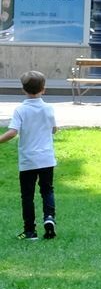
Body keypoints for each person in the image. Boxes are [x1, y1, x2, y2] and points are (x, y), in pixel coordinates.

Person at [3, 71, 58, 241]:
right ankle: (49, 218)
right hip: (47, 158)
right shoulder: (48, 108)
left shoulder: (20, 110)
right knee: (47, 190)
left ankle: (29, 231)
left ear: (23, 90)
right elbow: (54, 128)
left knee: (27, 195)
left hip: (28, 160)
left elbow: (12, 132)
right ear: (44, 89)